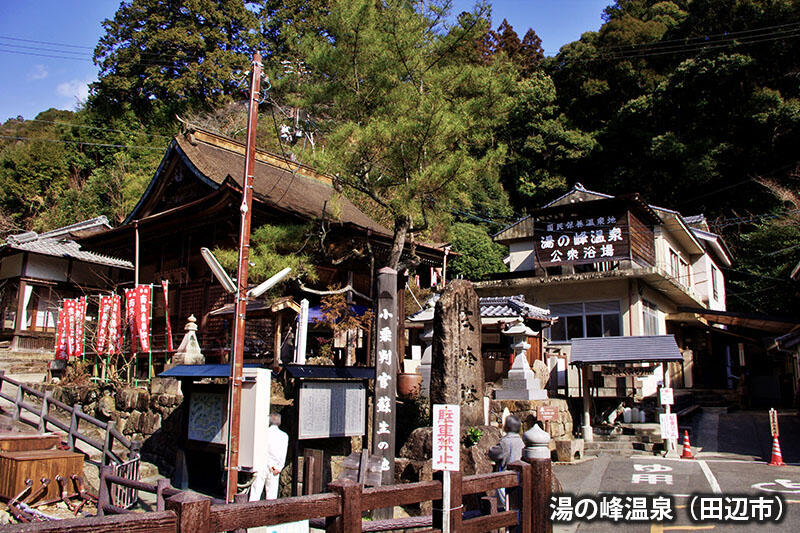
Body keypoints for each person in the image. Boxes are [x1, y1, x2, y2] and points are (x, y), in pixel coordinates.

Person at [250, 412, 289, 501]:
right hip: (276, 467)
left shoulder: (263, 433)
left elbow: (261, 450)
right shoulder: (284, 436)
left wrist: (269, 464)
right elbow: (283, 454)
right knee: (272, 495)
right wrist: (279, 467)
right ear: (279, 422)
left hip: (262, 464)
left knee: (256, 493)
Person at [488, 415, 524, 510]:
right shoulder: (521, 441)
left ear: (506, 427)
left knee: (505, 506)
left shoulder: (505, 442)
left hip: (505, 476)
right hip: (520, 477)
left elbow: (493, 453)